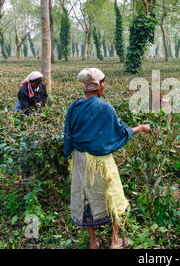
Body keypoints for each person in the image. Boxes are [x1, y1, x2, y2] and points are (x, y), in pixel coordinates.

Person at [64, 68, 151, 249]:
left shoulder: (74, 107)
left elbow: (68, 137)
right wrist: (140, 128)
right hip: (100, 163)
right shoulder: (105, 108)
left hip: (80, 161)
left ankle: (93, 242)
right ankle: (114, 241)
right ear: (98, 85)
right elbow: (119, 132)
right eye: (104, 83)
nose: (105, 86)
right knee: (112, 197)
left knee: (86, 198)